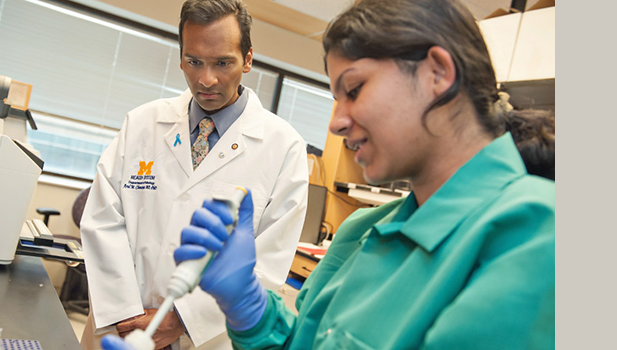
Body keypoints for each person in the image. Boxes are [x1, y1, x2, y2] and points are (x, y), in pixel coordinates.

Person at [102, 0, 555, 348]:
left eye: (353, 89)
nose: (336, 122)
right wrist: (249, 309)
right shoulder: (362, 231)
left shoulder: (536, 235)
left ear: (437, 73)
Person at [79, 0, 310, 349]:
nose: (206, 79)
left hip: (205, 339)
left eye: (223, 63)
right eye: (194, 61)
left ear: (248, 59)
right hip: (119, 327)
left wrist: (182, 319)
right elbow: (101, 219)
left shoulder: (284, 147)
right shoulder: (141, 123)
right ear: (181, 56)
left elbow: (267, 265)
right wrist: (126, 315)